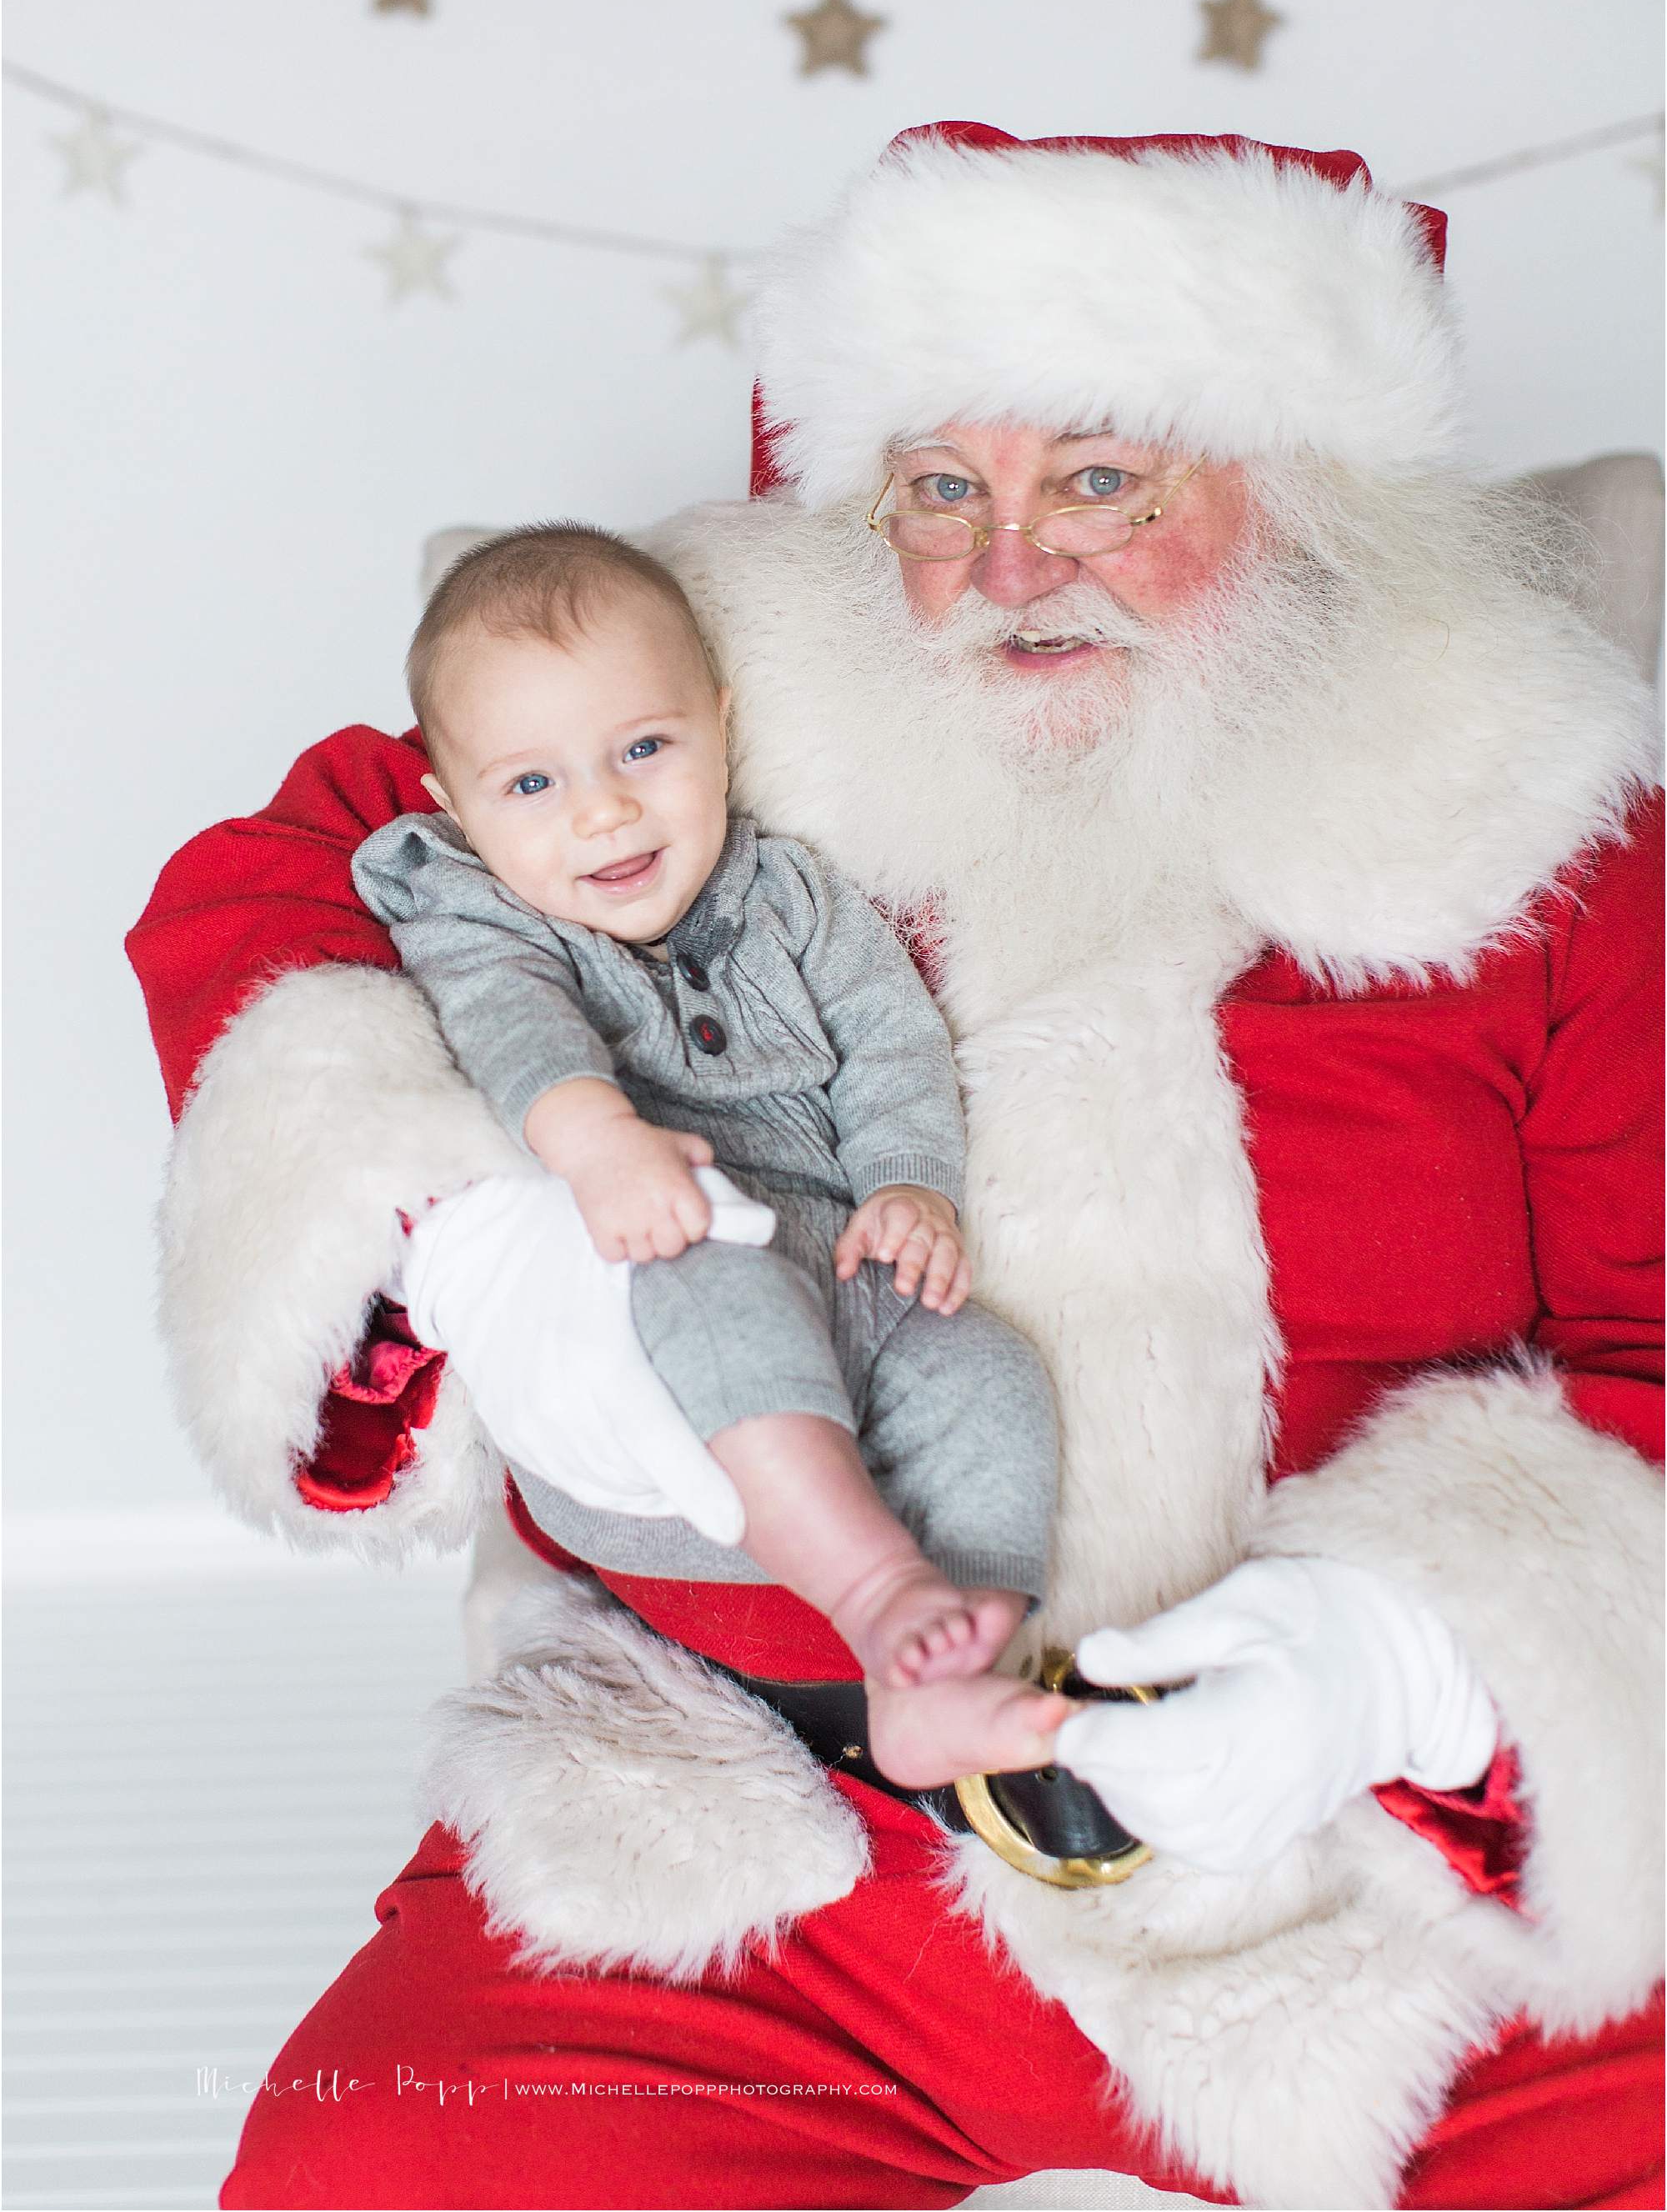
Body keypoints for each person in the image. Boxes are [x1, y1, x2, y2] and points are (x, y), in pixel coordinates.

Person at [128, 123, 1662, 2212]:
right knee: (378, 2175)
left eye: (1103, 479)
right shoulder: (721, 704)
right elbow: (293, 868)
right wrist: (481, 1227)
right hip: (779, 1839)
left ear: (1298, 488)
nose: (1008, 564)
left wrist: (1402, 1663)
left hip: (1378, 1876)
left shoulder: (1548, 828)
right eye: (941, 487)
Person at [351, 518, 1067, 1788]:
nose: (607, 807)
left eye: (644, 746)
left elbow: (889, 1042)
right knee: (708, 1265)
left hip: (836, 1269)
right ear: (453, 808)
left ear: (720, 725)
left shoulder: (792, 893)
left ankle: (957, 1678)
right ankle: (882, 1595)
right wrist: (599, 1140)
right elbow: (510, 1022)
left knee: (989, 1368)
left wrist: (910, 1187)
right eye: (533, 785)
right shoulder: (477, 907)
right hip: (656, 1327)